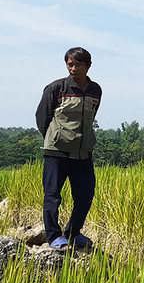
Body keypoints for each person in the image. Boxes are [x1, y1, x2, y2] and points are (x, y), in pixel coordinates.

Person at [36, 47, 102, 251]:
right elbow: (42, 117)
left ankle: (73, 233)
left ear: (88, 66)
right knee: (53, 195)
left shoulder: (95, 90)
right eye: (70, 64)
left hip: (83, 153)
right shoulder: (56, 88)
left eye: (78, 64)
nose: (73, 68)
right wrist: (55, 137)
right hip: (57, 152)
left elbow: (91, 117)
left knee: (85, 195)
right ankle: (54, 236)